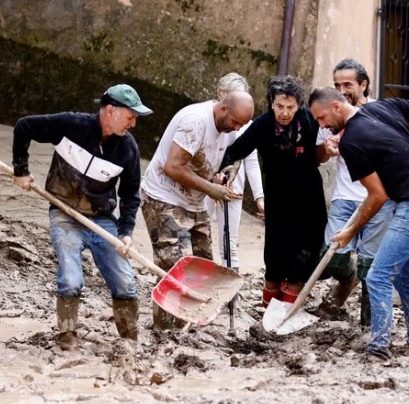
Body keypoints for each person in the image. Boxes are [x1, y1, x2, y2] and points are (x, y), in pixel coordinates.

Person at [308, 87, 409, 360]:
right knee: (406, 273)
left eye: (322, 118)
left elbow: (377, 196)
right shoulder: (385, 107)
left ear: (337, 106)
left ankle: (379, 346)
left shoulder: (352, 142)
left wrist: (350, 230)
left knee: (378, 276)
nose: (322, 125)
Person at [11, 83, 153, 349]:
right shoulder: (70, 125)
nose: (133, 124)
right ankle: (67, 336)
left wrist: (125, 232)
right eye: (131, 117)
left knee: (124, 281)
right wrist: (21, 169)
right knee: (71, 277)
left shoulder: (128, 150)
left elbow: (131, 195)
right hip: (63, 213)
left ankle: (130, 341)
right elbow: (24, 126)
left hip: (101, 219)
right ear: (110, 110)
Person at [140, 90, 255, 329]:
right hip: (163, 197)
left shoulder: (229, 128)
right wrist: (211, 189)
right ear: (223, 108)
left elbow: (233, 157)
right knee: (174, 266)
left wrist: (226, 175)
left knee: (204, 264)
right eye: (234, 122)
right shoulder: (195, 120)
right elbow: (173, 166)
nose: (235, 129)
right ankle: (165, 329)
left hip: (193, 201)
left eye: (241, 125)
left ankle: (191, 323)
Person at [220, 75, 327, 307]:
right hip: (278, 197)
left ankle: (289, 306)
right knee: (276, 251)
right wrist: (222, 173)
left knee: (306, 249)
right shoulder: (262, 125)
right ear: (271, 103)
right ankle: (269, 305)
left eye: (290, 107)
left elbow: (326, 142)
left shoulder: (308, 120)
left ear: (299, 105)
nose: (285, 113)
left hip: (309, 196)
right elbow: (235, 151)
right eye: (279, 106)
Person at [316, 58, 395, 327]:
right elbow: (319, 157)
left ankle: (369, 325)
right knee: (332, 256)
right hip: (344, 198)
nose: (341, 89)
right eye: (337, 84)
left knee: (371, 266)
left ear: (364, 84)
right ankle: (347, 279)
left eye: (347, 84)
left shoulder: (380, 112)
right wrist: (325, 150)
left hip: (379, 200)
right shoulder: (331, 111)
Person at [204, 73, 265, 271]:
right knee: (200, 234)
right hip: (207, 186)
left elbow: (252, 162)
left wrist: (259, 197)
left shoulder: (247, 124)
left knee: (229, 243)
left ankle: (232, 293)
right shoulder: (209, 118)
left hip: (234, 190)